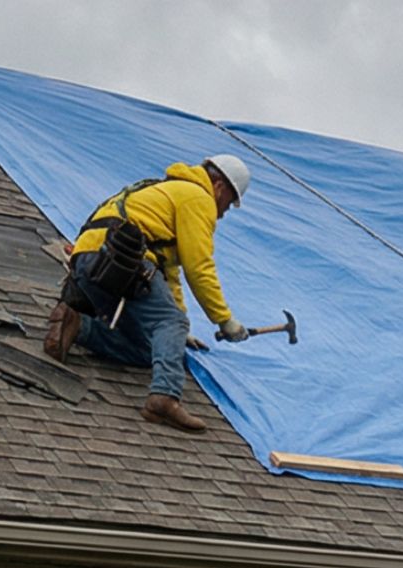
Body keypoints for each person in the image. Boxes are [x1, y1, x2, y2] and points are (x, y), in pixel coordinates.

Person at [43, 154, 254, 433]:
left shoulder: (168, 190)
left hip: (91, 258)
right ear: (219, 186)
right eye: (229, 203)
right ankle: (164, 398)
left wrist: (177, 330)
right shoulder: (197, 197)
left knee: (147, 349)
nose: (225, 212)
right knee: (172, 323)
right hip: (125, 259)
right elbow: (199, 267)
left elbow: (169, 273)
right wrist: (223, 319)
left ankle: (78, 326)